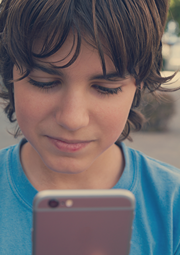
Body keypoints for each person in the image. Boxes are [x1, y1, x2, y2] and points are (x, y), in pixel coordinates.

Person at [0, 0, 180, 254]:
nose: (72, 119)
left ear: (138, 84)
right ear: (9, 74)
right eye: (44, 82)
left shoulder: (172, 206)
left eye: (106, 88)